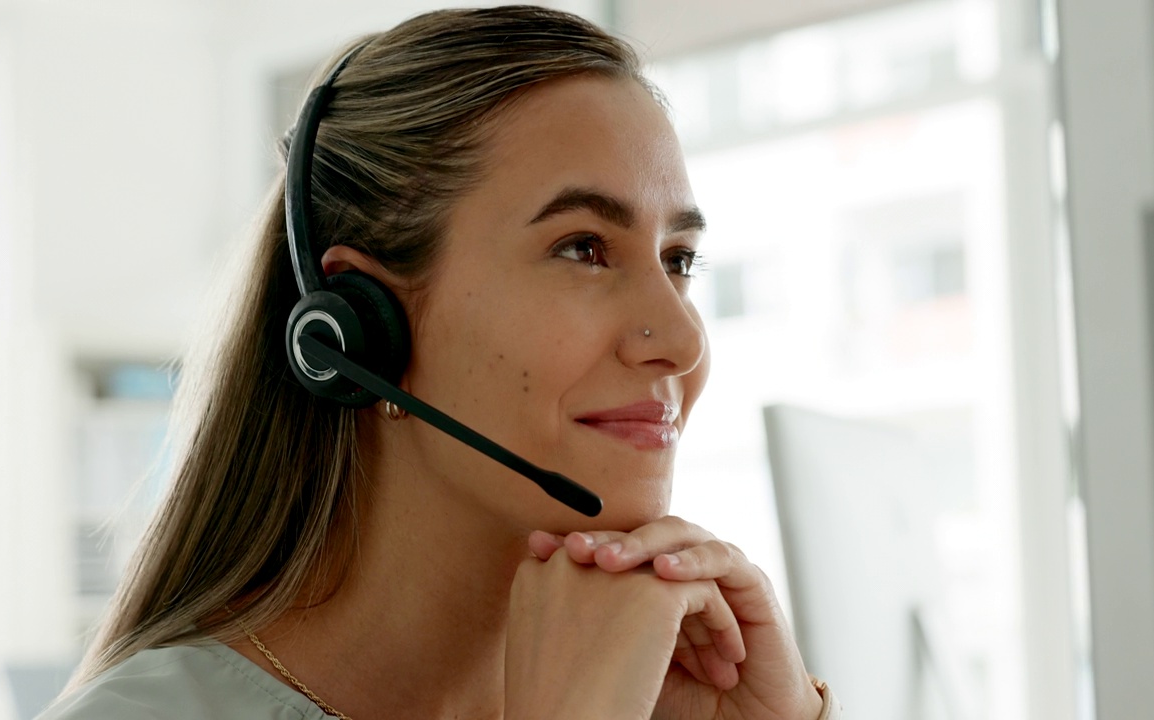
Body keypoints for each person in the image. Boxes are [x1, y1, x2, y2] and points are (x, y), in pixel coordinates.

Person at [41, 6, 836, 719]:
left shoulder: (655, 697)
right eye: (582, 248)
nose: (683, 339)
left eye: (680, 259)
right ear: (356, 334)